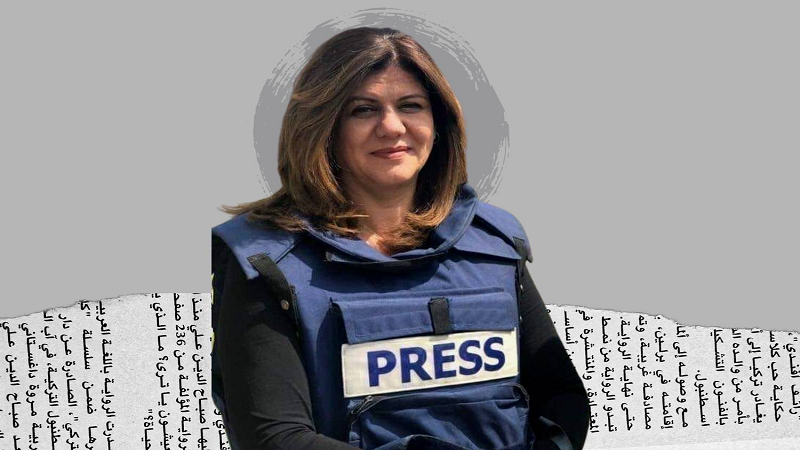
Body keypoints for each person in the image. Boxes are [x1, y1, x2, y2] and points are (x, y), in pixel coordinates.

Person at [212, 27, 590, 450]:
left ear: (438, 123)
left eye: (411, 106)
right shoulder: (263, 258)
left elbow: (562, 398)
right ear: (322, 127)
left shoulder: (495, 243)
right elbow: (275, 438)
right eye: (363, 110)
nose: (392, 127)